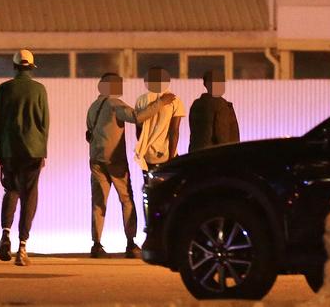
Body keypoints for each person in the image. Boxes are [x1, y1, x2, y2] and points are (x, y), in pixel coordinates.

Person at [87, 73, 175, 258]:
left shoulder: (93, 107)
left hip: (95, 159)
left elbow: (89, 134)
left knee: (98, 203)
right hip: (114, 160)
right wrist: (161, 103)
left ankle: (96, 245)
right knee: (126, 200)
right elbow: (137, 117)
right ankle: (131, 244)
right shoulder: (115, 104)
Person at [0, 49, 49, 266]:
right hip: (33, 151)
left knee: (10, 190)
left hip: (8, 151)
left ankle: (5, 234)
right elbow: (44, 123)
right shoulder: (39, 90)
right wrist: (43, 151)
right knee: (29, 195)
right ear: (31, 67)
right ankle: (22, 246)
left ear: (14, 67)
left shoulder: (4, 89)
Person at [134, 67, 185, 182]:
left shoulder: (141, 100)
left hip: (148, 156)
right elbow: (174, 132)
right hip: (167, 154)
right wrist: (172, 159)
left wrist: (145, 148)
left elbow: (138, 131)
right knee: (171, 188)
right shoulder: (174, 100)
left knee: (151, 188)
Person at [188, 70, 240, 152]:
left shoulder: (196, 104)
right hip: (213, 156)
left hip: (195, 154)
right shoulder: (221, 104)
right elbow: (222, 136)